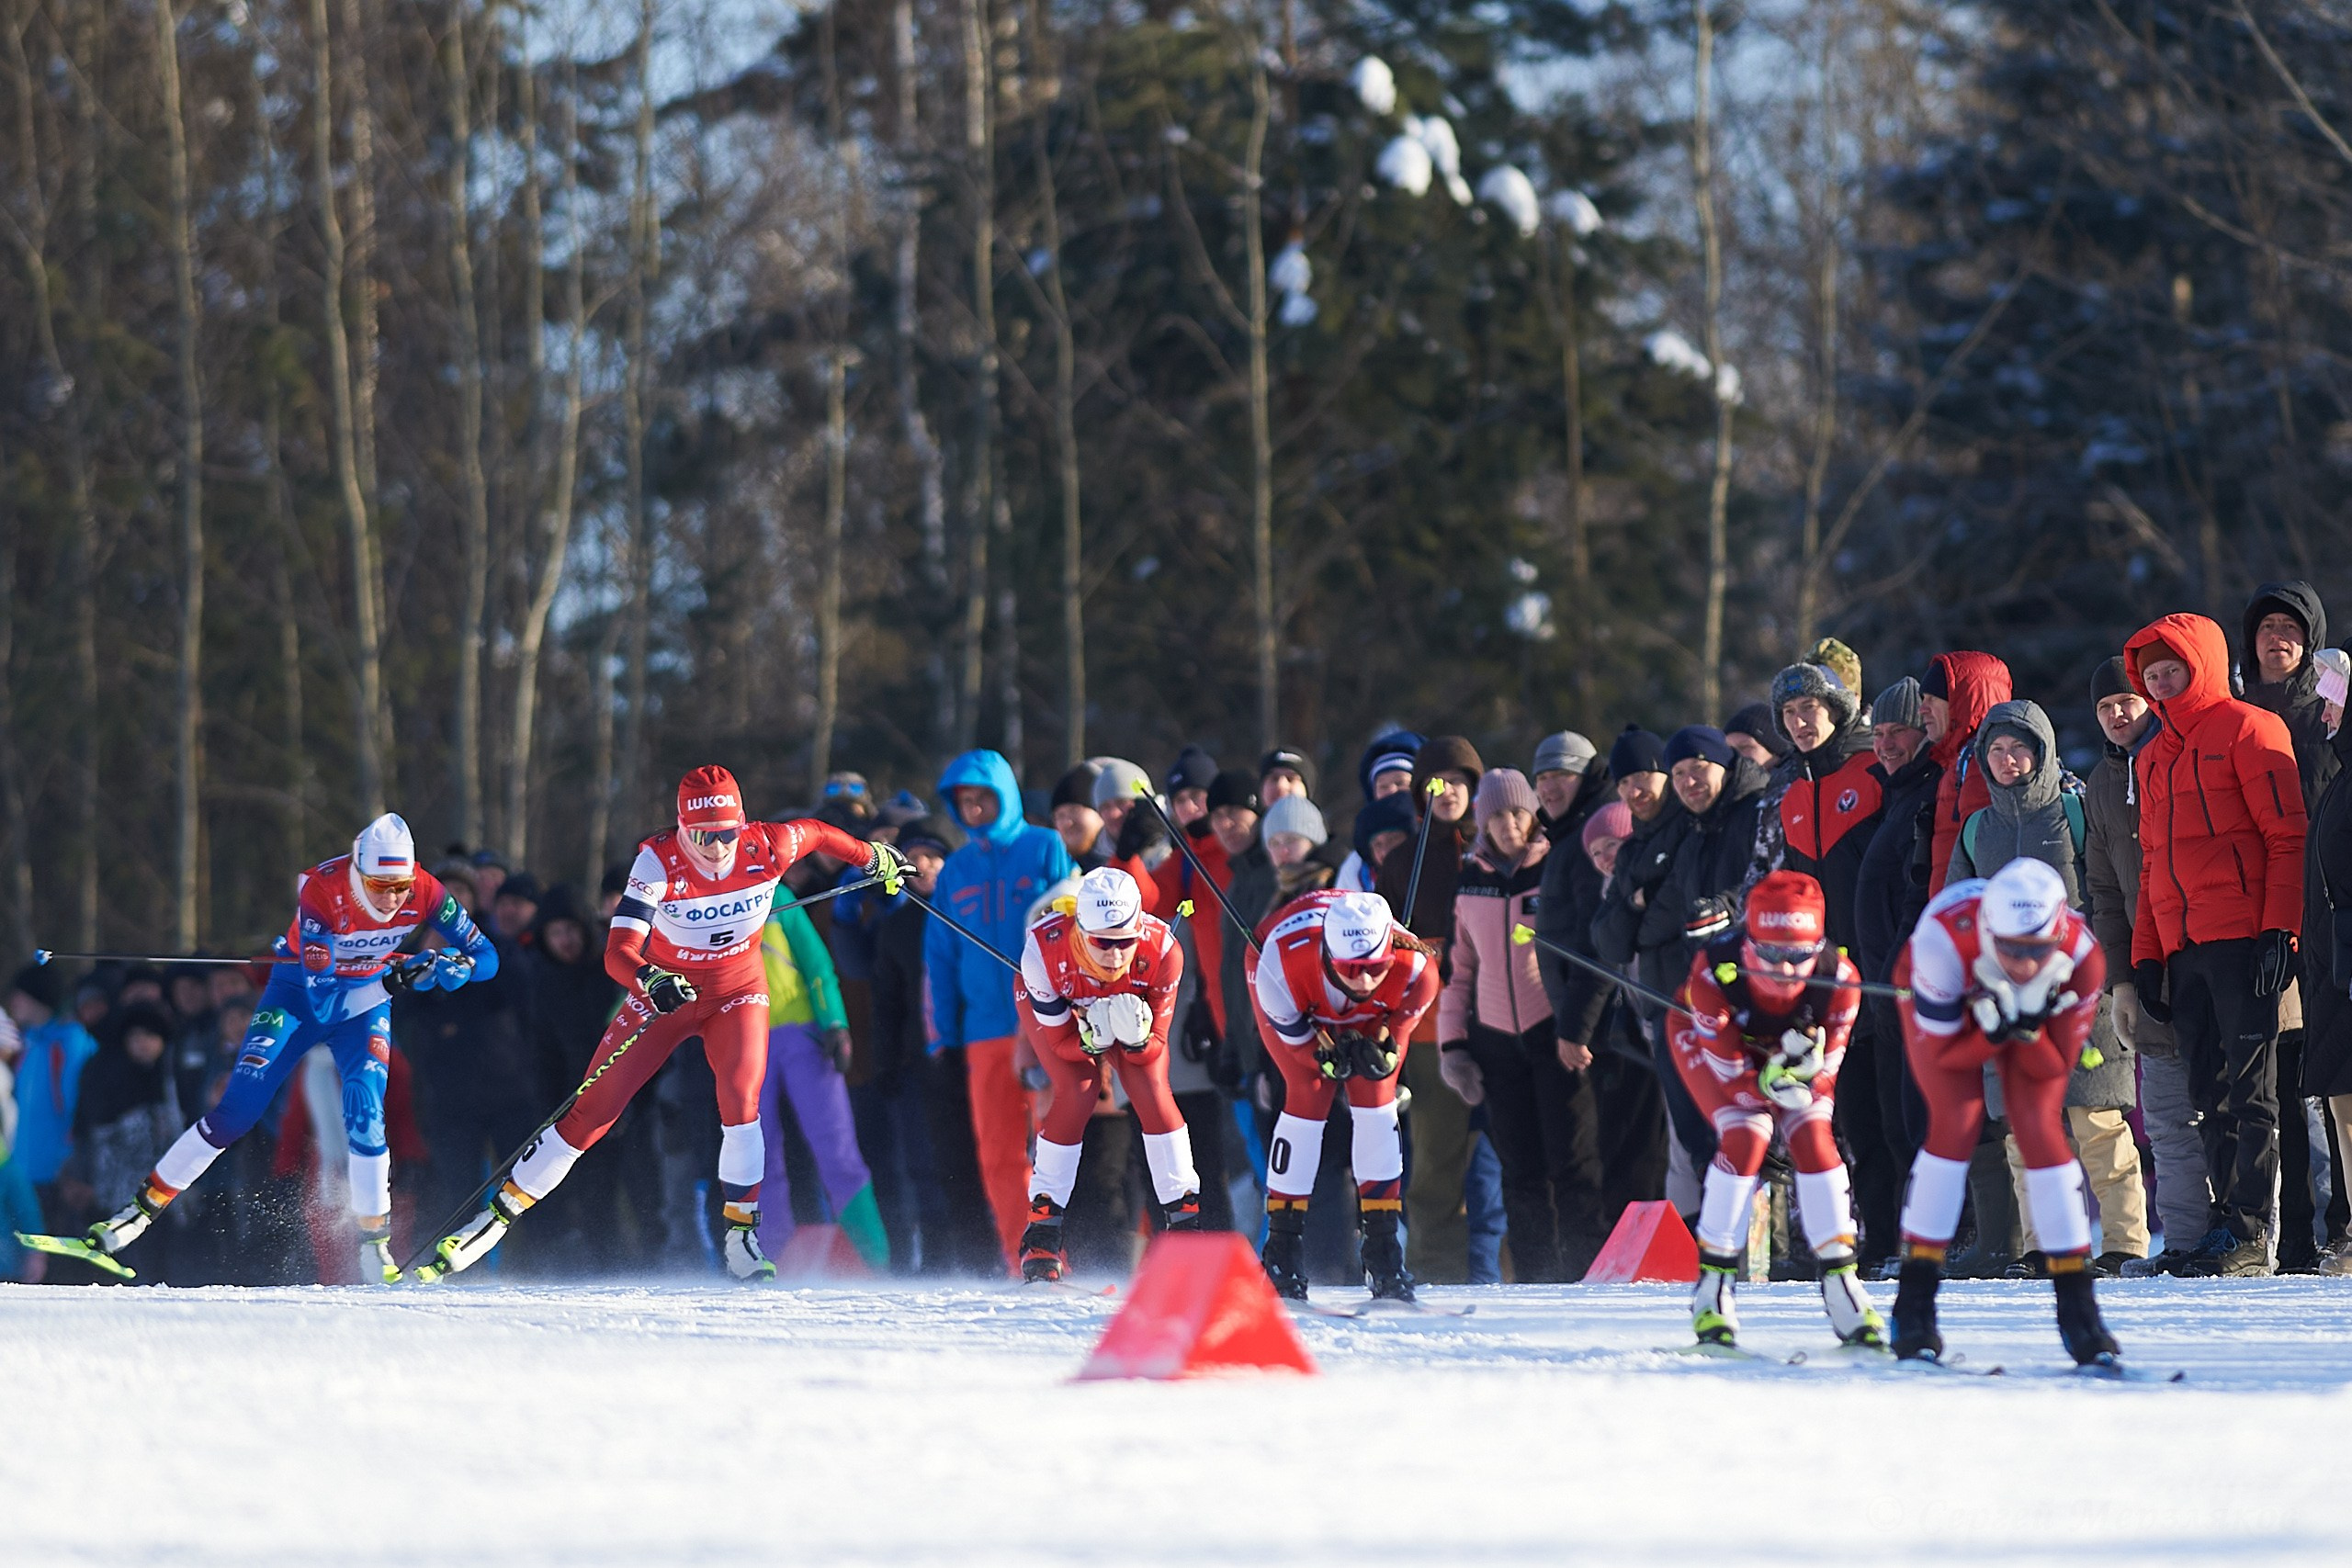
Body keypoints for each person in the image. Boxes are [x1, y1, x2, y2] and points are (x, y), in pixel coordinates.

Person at [422, 766, 904, 1283]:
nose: (716, 847)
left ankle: (742, 1238)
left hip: (737, 993)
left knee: (742, 1103)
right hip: (665, 995)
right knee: (593, 1111)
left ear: (741, 825)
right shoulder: (657, 862)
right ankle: (493, 1221)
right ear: (681, 829)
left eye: (726, 834)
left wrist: (874, 858)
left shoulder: (769, 845)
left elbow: (820, 833)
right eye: (702, 836)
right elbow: (617, 953)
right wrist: (649, 979)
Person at [80, 815, 499, 1285]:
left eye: (401, 885)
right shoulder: (323, 891)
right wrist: (394, 979)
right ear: (358, 873)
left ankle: (373, 1245)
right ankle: (138, 1213)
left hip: (366, 1005)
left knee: (365, 1110)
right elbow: (322, 1000)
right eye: (381, 885)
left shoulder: (427, 890)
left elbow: (489, 958)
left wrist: (453, 965)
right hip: (299, 997)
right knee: (235, 1111)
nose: (393, 898)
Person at [2125, 614, 2306, 1277]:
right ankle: (2226, 1224)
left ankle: (2254, 1230)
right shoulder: (2151, 756)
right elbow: (2150, 864)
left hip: (2243, 937)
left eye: (2172, 666)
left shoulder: (2250, 729)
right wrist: (2146, 954)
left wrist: (2279, 929)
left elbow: (2287, 835)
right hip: (2185, 946)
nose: (2162, 679)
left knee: (2253, 1090)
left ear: (2201, 662)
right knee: (2209, 1088)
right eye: (2151, 673)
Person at [1892, 860, 2120, 1367]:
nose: (2024, 963)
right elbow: (1945, 1055)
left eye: (2038, 951)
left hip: (2010, 1014)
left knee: (2040, 1130)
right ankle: (1914, 1307)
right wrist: (1992, 1028)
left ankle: (2079, 1311)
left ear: (2059, 933)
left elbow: (2056, 1064)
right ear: (1990, 931)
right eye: (2011, 949)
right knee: (1956, 1126)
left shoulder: (2083, 958)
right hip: (1954, 993)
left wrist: (2027, 1022)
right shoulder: (1941, 943)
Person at [1946, 698, 2147, 1269]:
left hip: (2081, 993)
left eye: (2020, 749)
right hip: (2005, 1001)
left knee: (2098, 1124)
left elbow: (2109, 892)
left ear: (2044, 752)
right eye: (1997, 750)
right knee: (2025, 1132)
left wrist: (2116, 972)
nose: (2009, 761)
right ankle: (2044, 1247)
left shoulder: (2074, 812)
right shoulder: (1976, 828)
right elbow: (1955, 912)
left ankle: (2125, 1244)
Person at [1668, 872, 1883, 1350]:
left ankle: (1842, 1282)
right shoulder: (1713, 972)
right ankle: (1713, 1285)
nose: (1785, 970)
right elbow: (1735, 1082)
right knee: (1747, 1136)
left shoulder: (1841, 979)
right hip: (1708, 1044)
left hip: (1783, 1063)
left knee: (1814, 1138)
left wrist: (1803, 1071)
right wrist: (1769, 1078)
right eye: (1769, 953)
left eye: (1799, 956)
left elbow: (1827, 1074)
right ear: (1749, 941)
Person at [1437, 769, 1606, 1281]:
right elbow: (1459, 969)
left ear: (1532, 815)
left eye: (1517, 813)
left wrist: (1578, 1027)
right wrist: (1453, 1049)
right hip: (1494, 1039)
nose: (1508, 825)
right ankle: (1535, 1277)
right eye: (1495, 817)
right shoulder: (1471, 879)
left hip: (1552, 1031)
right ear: (1481, 823)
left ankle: (1583, 1271)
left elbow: (1584, 954)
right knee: (1519, 1170)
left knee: (1571, 1162)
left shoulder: (1554, 864)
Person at [1248, 888, 1441, 1301]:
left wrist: (1382, 1049)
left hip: (1352, 1002)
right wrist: (1327, 1057)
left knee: (1376, 1097)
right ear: (1327, 957)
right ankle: (1281, 1252)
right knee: (1307, 1093)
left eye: (1376, 966)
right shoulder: (1281, 968)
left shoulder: (1417, 970)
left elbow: (1395, 1041)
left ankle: (1384, 1252)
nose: (1366, 980)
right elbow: (1304, 1053)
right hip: (1289, 979)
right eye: (1351, 968)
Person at [2086, 660, 2213, 1275]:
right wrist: (2122, 982)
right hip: (2146, 960)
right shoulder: (2101, 785)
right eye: (2105, 706)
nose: (2116, 714)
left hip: (2211, 954)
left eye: (2126, 701)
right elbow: (2104, 893)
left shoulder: (2188, 754)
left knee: (2235, 1106)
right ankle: (2187, 1240)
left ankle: (2258, 1233)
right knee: (2164, 1116)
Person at [925, 750, 1077, 1269]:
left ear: (1005, 796)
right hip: (983, 1031)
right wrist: (943, 1034)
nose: (973, 808)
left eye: (982, 797)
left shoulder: (1045, 847)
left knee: (1058, 1147)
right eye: (963, 801)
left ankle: (1068, 1252)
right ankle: (1025, 1261)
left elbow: (1072, 922)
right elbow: (939, 956)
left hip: (1047, 1021)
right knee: (999, 1155)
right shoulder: (956, 870)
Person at [1012, 866, 1201, 1280]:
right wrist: (1089, 1041)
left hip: (1129, 1012)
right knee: (1077, 1088)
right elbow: (1061, 1046)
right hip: (1068, 1014)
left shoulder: (1165, 950)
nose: (1116, 956)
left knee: (1150, 1088)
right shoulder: (1043, 951)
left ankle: (1186, 1222)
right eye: (1103, 943)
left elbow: (1156, 1047)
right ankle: (1042, 1232)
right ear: (1081, 931)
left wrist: (1136, 1040)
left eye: (1125, 942)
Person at [2240, 583, 2336, 1271]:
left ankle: (2340, 1223)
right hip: (2257, 915)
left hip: (2327, 911)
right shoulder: (2236, 713)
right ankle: (2295, 1232)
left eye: (2291, 628)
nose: (2278, 637)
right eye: (2267, 626)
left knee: (2331, 1077)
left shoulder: (2331, 709)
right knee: (2280, 1076)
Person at [1374, 734, 1485, 1284]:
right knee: (1438, 1163)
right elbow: (1379, 943)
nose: (1449, 792)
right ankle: (1435, 1268)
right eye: (1437, 784)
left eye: (1461, 782)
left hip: (1500, 1021)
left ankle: (1533, 1271)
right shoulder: (1402, 860)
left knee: (1502, 1163)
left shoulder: (1495, 848)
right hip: (1428, 1030)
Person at [875, 821, 1000, 1276]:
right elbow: (885, 1001)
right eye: (913, 856)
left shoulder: (970, 910)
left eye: (932, 855)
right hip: (919, 1059)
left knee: (988, 1152)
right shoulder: (898, 926)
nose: (922, 865)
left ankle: (995, 1249)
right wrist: (885, 1059)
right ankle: (938, 1252)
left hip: (979, 1046)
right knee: (927, 1161)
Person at [756, 883, 888, 1269]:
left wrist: (834, 1023)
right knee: (756, 1156)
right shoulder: (699, 905)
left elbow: (816, 963)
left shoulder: (774, 896)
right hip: (747, 1042)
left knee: (837, 1148)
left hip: (803, 1033)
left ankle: (871, 1258)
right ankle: (767, 1258)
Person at [5, 962, 98, 1233]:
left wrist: (74, 1168)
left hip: (60, 1175)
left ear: (38, 998)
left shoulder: (70, 1041)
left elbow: (77, 1109)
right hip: (25, 1172)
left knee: (61, 1263)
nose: (13, 1002)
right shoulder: (30, 1042)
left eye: (19, 995)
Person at [1918, 652, 2013, 899]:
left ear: (1962, 701)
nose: (1922, 709)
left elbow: (1987, 856)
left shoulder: (1982, 765)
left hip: (1970, 922)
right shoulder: (1957, 763)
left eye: (1932, 699)